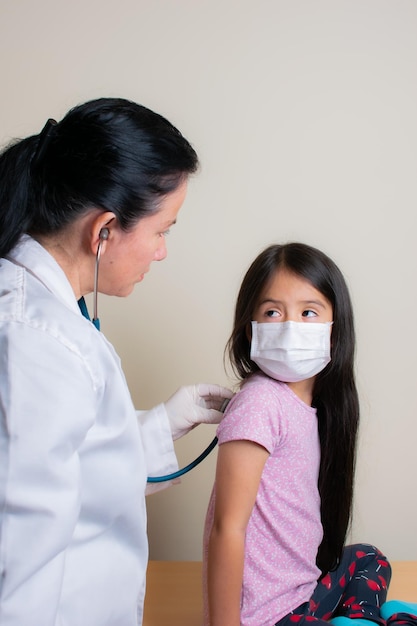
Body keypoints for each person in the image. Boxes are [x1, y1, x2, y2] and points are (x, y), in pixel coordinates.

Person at [0, 97, 232, 626]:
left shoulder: (50, 322)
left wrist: (163, 424)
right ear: (103, 231)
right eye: (162, 231)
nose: (161, 252)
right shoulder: (32, 342)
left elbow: (78, 472)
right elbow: (17, 562)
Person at [203, 242, 392, 626]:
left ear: (335, 331)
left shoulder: (312, 411)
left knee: (368, 559)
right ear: (250, 329)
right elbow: (227, 528)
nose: (291, 326)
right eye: (272, 312)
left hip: (302, 594)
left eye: (309, 312)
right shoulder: (259, 404)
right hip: (268, 616)